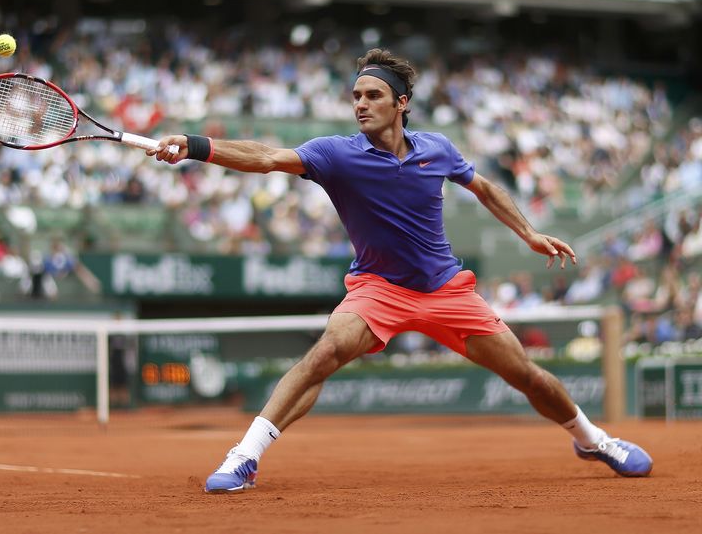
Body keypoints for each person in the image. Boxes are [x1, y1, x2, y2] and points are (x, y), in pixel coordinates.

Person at [147, 48, 653, 493]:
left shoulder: (437, 149)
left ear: (401, 103)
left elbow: (484, 188)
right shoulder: (335, 154)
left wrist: (528, 233)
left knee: (524, 373)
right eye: (356, 95)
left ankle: (594, 441)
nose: (360, 104)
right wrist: (194, 146)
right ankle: (245, 457)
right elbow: (264, 157)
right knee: (325, 352)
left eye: (372, 95)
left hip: (445, 290)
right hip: (377, 289)